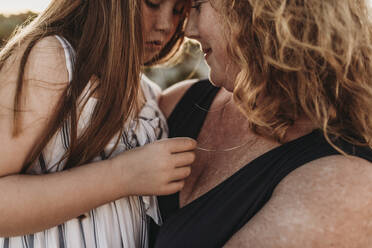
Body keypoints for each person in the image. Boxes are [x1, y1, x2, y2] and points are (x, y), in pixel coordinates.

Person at [154, 0, 372, 247]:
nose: (188, 30)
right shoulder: (179, 103)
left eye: (198, 6)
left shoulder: (344, 187)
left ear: (256, 10)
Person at [0, 0, 196, 247]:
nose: (166, 24)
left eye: (178, 10)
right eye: (153, 3)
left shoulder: (148, 93)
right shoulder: (53, 59)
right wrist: (123, 176)